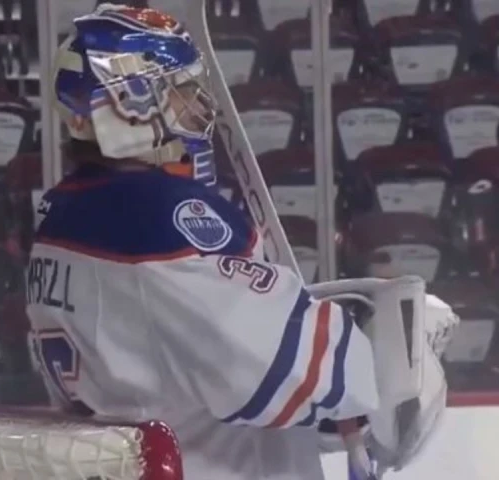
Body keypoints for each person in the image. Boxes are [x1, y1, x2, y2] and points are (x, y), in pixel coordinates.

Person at [26, 4, 455, 479]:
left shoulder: (62, 219)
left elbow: (184, 375)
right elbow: (291, 372)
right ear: (129, 104)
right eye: (179, 92)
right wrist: (400, 348)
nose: (195, 110)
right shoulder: (155, 221)